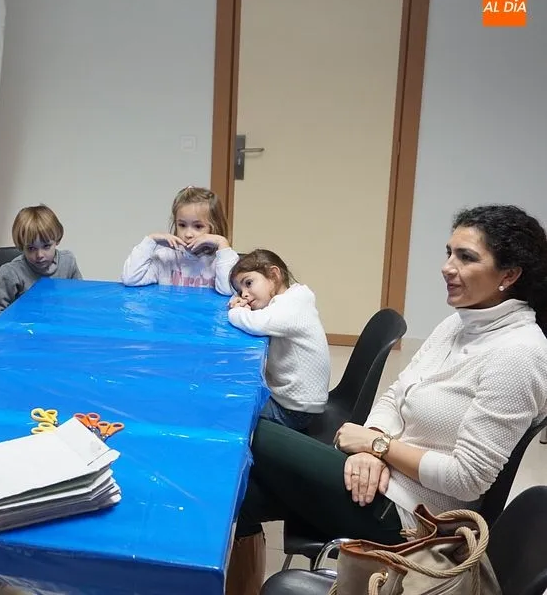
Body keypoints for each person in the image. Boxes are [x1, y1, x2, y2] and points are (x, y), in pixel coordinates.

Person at [225, 204, 547, 595]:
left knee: (244, 427)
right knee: (237, 494)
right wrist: (371, 447)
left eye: (466, 257)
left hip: (412, 520)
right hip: (378, 480)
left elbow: (467, 479)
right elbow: (396, 395)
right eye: (449, 253)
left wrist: (380, 446)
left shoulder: (519, 354)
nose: (447, 267)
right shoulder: (458, 322)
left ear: (509, 275)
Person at [227, 249, 329, 431]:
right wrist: (245, 307)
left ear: (274, 275)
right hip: (296, 402)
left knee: (231, 406)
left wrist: (236, 311)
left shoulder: (293, 303)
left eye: (249, 283)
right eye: (240, 291)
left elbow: (257, 324)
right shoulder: (290, 300)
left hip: (295, 410)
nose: (244, 294)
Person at [121, 186, 238, 295]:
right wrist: (150, 240)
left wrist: (222, 243)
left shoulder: (221, 260)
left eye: (198, 226)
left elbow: (227, 290)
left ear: (215, 227)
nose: (188, 234)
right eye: (182, 225)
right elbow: (130, 279)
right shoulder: (166, 257)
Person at [0, 204, 82, 320]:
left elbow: (80, 300)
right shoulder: (11, 272)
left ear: (57, 240)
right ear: (21, 246)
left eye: (46, 246)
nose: (39, 255)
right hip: (24, 328)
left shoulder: (68, 262)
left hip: (59, 325)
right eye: (31, 248)